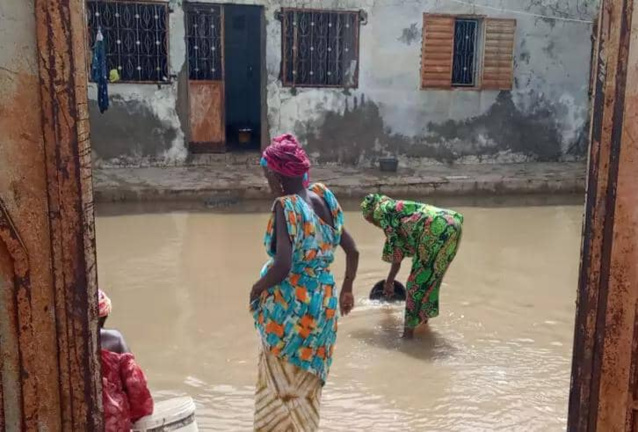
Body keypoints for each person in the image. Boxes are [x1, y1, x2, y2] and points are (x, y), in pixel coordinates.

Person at [250, 134, 359, 432]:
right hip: (323, 307)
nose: (267, 181)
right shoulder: (324, 196)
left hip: (290, 311)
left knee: (277, 381)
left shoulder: (286, 207)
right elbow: (353, 249)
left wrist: (258, 287)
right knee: (307, 385)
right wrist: (347, 287)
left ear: (277, 175)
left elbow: (283, 266)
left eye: (267, 175)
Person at [361, 194, 463, 339]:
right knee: (431, 280)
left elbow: (396, 254)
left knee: (414, 285)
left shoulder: (382, 212)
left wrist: (389, 282)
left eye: (371, 221)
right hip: (453, 225)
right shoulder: (396, 207)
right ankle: (423, 323)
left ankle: (407, 336)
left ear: (371, 213)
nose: (374, 224)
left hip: (435, 230)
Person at [99, 290, 153, 431]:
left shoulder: (65, 342)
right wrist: (139, 415)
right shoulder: (115, 340)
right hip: (112, 422)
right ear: (106, 314)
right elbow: (135, 384)